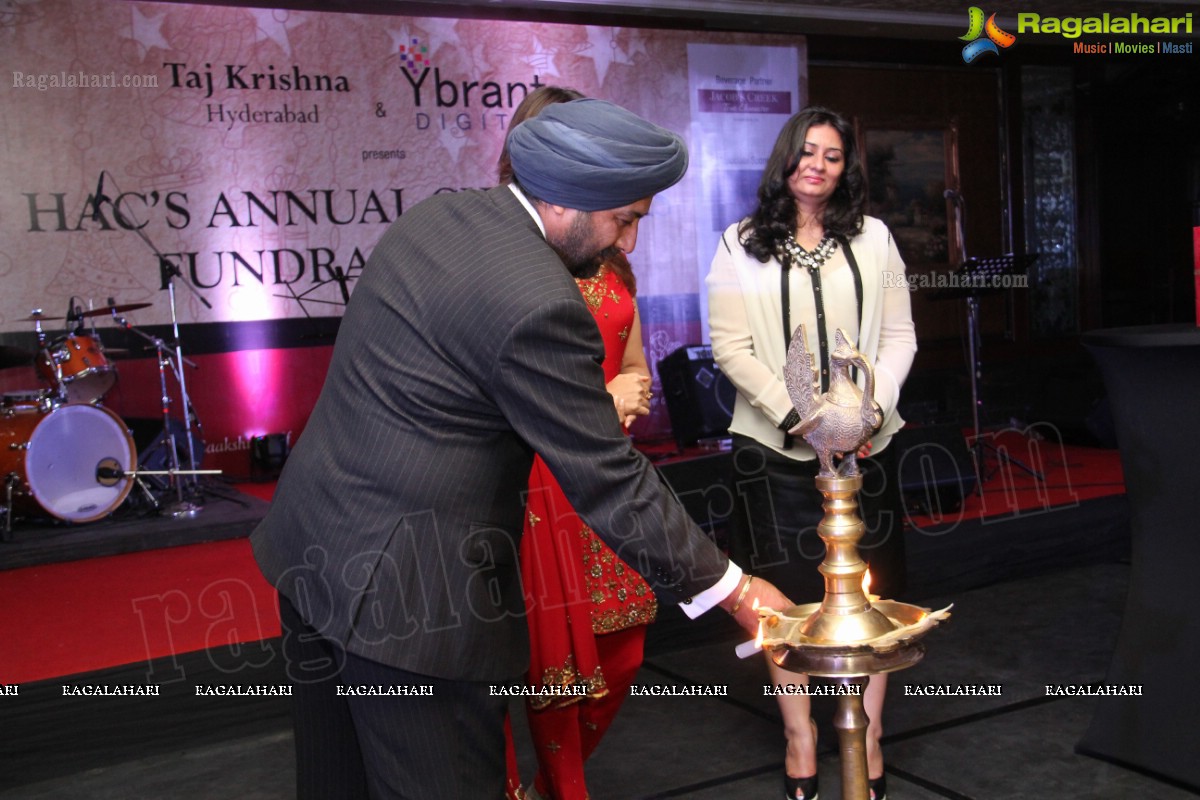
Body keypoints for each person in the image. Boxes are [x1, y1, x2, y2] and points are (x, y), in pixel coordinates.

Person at [250, 97, 791, 800]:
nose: (627, 245)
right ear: (566, 201)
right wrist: (740, 592)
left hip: (313, 557)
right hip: (410, 608)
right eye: (626, 219)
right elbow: (609, 480)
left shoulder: (436, 217)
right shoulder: (541, 300)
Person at [706, 106, 917, 800]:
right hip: (773, 451)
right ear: (785, 160)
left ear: (843, 167)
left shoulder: (876, 239)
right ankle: (800, 736)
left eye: (831, 155)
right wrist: (804, 418)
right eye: (806, 151)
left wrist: (866, 413)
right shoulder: (739, 243)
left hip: (868, 445)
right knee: (786, 601)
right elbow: (730, 348)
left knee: (871, 590)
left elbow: (898, 336)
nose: (817, 165)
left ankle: (870, 734)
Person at [495, 86, 657, 800]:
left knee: (619, 653)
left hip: (604, 482)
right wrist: (600, 402)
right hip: (529, 485)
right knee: (538, 662)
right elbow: (500, 388)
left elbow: (635, 365)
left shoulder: (612, 260)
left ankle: (559, 777)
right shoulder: (509, 262)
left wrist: (630, 392)